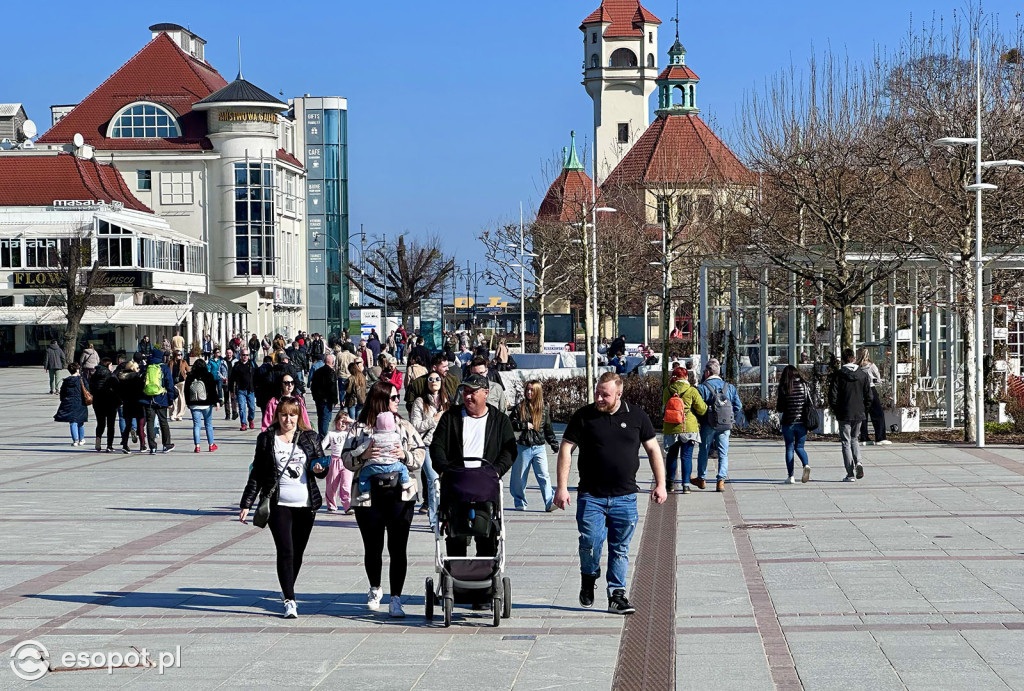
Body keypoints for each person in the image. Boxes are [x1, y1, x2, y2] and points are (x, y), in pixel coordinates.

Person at [553, 372, 666, 615]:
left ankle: (617, 595)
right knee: (590, 544)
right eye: (597, 393)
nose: (599, 398)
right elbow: (565, 449)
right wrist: (561, 487)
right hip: (591, 496)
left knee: (620, 548)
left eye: (605, 394)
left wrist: (661, 483)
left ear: (619, 394)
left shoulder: (637, 416)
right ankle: (588, 575)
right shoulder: (584, 416)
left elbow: (653, 450)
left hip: (625, 497)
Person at [239, 397, 329, 619]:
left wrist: (319, 468)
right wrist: (246, 503)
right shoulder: (267, 439)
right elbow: (257, 473)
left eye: (292, 415)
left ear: (299, 417)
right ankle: (290, 600)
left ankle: (286, 587)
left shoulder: (310, 437)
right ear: (277, 416)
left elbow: (322, 466)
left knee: (297, 553)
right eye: (284, 415)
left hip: (306, 505)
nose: (288, 419)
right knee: (286, 550)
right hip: (278, 504)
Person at [342, 381, 426, 618]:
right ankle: (375, 588)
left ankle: (396, 598)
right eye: (393, 398)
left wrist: (405, 455)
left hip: (400, 496)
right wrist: (363, 455)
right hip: (368, 498)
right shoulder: (359, 429)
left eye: (398, 397)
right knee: (373, 546)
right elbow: (345, 459)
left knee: (398, 548)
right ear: (379, 400)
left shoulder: (404, 426)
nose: (397, 401)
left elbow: (420, 454)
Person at [430, 374, 517, 563]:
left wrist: (496, 471)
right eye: (465, 392)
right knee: (456, 537)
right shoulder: (451, 417)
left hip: (485, 488)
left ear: (485, 393)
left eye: (473, 392)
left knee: (486, 537)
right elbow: (437, 447)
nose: (468, 396)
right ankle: (455, 580)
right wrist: (445, 471)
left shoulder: (500, 420)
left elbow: (509, 451)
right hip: (456, 487)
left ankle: (485, 580)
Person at [694, 359, 745, 492]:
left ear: (707, 372)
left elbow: (697, 408)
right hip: (725, 424)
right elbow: (738, 406)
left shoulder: (702, 388)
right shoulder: (730, 387)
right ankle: (720, 481)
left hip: (708, 424)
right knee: (723, 453)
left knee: (704, 451)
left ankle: (701, 478)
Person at [509, 380, 559, 511]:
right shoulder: (520, 407)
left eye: (532, 390)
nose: (529, 392)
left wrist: (553, 443)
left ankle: (550, 502)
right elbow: (510, 423)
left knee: (544, 475)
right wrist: (524, 425)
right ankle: (520, 501)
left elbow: (548, 427)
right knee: (519, 476)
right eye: (527, 390)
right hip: (523, 446)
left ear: (537, 392)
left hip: (539, 447)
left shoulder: (544, 407)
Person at [410, 371, 448, 529]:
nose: (434, 381)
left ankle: (445, 516)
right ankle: (434, 521)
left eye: (437, 379)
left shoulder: (446, 401)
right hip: (426, 446)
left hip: (444, 446)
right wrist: (433, 420)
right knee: (433, 481)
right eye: (430, 379)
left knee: (445, 482)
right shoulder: (420, 402)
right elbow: (415, 426)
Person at [828, 349, 873, 482]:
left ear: (842, 360)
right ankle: (858, 462)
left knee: (845, 442)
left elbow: (833, 395)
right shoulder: (863, 375)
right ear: (853, 359)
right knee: (855, 439)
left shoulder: (838, 375)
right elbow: (869, 395)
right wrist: (865, 409)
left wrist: (836, 409)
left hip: (844, 412)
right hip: (859, 412)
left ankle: (850, 473)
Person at [662, 367, 707, 494]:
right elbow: (702, 409)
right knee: (686, 456)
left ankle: (670, 483)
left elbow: (665, 406)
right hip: (689, 427)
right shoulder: (692, 390)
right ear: (686, 377)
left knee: (671, 456)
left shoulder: (668, 390)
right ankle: (686, 485)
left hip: (671, 427)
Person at [351, 410, 414, 501]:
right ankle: (405, 482)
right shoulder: (396, 436)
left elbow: (362, 447)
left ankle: (365, 492)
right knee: (403, 468)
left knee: (363, 475)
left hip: (375, 466)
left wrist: (354, 453)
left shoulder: (374, 437)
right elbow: (399, 448)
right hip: (393, 465)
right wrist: (402, 453)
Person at [777, 364, 812, 484]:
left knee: (789, 448)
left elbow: (780, 407)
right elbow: (809, 402)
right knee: (800, 447)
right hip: (802, 422)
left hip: (788, 422)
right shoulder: (804, 385)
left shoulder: (784, 387)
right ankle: (806, 465)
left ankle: (791, 476)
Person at [141, 350, 176, 454]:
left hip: (148, 399)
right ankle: (166, 445)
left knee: (150, 423)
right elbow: (169, 384)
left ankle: (152, 447)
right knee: (163, 422)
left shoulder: (147, 367)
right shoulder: (164, 367)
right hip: (161, 398)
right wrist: (170, 400)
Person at [323, 410, 355, 514]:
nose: (343, 424)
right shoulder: (331, 434)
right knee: (331, 484)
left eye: (345, 422)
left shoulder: (350, 433)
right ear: (336, 421)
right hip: (334, 461)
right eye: (341, 421)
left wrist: (351, 420)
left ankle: (347, 506)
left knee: (346, 484)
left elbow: (361, 426)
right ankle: (331, 505)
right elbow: (322, 446)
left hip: (346, 461)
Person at [856, 349, 890, 446]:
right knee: (878, 413)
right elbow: (878, 377)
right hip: (871, 389)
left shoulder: (857, 366)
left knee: (863, 414)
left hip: (861, 390)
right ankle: (880, 437)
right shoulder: (871, 365)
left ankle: (864, 437)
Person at [185, 358, 219, 453]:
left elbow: (186, 390)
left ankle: (197, 446)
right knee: (208, 424)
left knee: (196, 425)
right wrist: (216, 401)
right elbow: (213, 390)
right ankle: (211, 444)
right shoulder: (208, 375)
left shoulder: (190, 376)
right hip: (206, 404)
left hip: (194, 404)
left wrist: (188, 403)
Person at [55, 363, 90, 446]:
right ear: (77, 370)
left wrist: (63, 400)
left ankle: (75, 440)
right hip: (80, 402)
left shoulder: (66, 381)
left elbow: (62, 393)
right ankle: (82, 439)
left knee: (72, 421)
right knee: (80, 421)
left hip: (69, 402)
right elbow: (87, 389)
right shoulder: (81, 379)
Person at [89, 358, 120, 452]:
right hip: (110, 402)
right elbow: (117, 388)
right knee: (111, 425)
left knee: (100, 423)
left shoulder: (94, 376)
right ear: (108, 365)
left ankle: (98, 438)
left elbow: (91, 389)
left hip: (97, 402)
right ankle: (109, 445)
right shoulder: (111, 376)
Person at [117, 360, 145, 454]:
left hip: (127, 404)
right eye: (137, 368)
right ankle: (143, 445)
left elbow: (120, 392)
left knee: (127, 426)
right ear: (134, 368)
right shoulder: (138, 378)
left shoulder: (122, 378)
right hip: (138, 403)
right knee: (140, 426)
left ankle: (125, 445)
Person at [310, 352, 339, 437]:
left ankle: (321, 434)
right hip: (327, 399)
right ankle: (323, 436)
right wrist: (335, 400)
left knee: (321, 417)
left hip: (319, 398)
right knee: (326, 418)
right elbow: (333, 388)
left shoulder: (317, 371)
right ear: (332, 362)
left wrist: (314, 396)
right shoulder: (331, 372)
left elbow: (313, 386)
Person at [230, 349, 258, 431]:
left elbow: (257, 376)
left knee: (252, 408)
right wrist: (231, 390)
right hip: (241, 390)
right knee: (242, 408)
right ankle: (243, 423)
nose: (245, 357)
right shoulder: (237, 365)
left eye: (246, 355)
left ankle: (251, 419)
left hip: (251, 390)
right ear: (240, 356)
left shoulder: (252, 364)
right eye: (243, 355)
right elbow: (232, 379)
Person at [169, 351, 191, 422]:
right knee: (174, 399)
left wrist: (186, 376)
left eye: (181, 354)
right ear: (175, 355)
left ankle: (180, 415)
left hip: (181, 382)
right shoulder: (171, 362)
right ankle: (173, 414)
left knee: (181, 398)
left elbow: (188, 370)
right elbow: (169, 371)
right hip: (173, 382)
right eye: (178, 355)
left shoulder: (184, 362)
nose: (180, 356)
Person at [219, 348, 239, 421]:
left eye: (230, 353)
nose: (229, 354)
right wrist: (222, 378)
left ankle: (234, 413)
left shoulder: (236, 361)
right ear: (225, 353)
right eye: (227, 353)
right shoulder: (222, 362)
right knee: (226, 399)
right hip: (225, 382)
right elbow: (219, 371)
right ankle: (227, 414)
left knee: (233, 398)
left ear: (232, 353)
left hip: (233, 382)